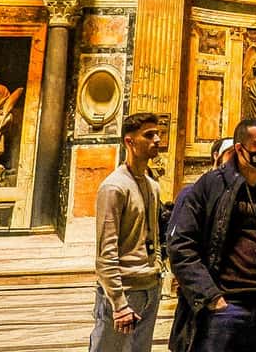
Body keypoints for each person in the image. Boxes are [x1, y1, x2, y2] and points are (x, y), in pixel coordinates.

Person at [167, 118, 256, 352]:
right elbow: (181, 245)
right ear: (240, 149)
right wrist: (211, 298)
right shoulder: (210, 186)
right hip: (223, 308)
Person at [91, 112, 164, 352]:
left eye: (158, 134)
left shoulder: (153, 186)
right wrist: (119, 303)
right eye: (149, 135)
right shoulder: (114, 187)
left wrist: (157, 270)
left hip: (150, 287)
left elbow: (154, 237)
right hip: (125, 291)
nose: (157, 140)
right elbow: (106, 252)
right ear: (129, 142)